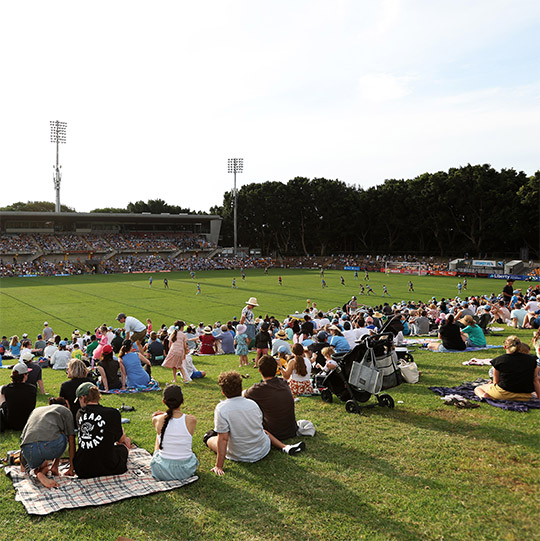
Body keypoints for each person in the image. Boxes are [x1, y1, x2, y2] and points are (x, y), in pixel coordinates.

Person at [205, 371, 305, 476]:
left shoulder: (222, 408)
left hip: (239, 453)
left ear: (223, 391)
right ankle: (285, 447)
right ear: (241, 387)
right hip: (262, 449)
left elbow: (223, 439)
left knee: (209, 437)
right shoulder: (252, 403)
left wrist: (219, 466)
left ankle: (208, 437)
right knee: (263, 431)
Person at [73, 382, 131, 478]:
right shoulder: (112, 413)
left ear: (83, 398)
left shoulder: (80, 413)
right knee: (124, 445)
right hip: (109, 467)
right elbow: (120, 440)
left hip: (82, 468)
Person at [20, 397, 76, 488]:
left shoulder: (37, 410)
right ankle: (55, 466)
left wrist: (23, 462)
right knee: (63, 434)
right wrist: (72, 468)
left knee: (43, 465)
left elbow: (23, 437)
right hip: (49, 447)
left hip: (29, 449)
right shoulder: (65, 411)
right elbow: (72, 440)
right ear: (65, 405)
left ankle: (39, 473)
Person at [150, 385, 199, 481]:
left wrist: (159, 415)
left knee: (160, 433)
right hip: (185, 471)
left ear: (164, 401)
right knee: (162, 431)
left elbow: (158, 419)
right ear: (182, 400)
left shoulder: (157, 420)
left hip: (161, 471)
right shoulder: (191, 420)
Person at [244, 355, 298, 441]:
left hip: (274, 433)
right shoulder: (283, 383)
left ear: (259, 370)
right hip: (292, 430)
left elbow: (244, 394)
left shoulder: (258, 390)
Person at [474, 336, 540, 401]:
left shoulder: (499, 360)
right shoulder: (531, 360)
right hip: (525, 396)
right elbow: (535, 380)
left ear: (505, 347)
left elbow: (496, 382)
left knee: (478, 388)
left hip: (503, 394)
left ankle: (483, 396)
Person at [0, 363, 37, 431]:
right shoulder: (32, 388)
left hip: (9, 422)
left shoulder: (6, 388)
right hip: (27, 421)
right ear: (24, 375)